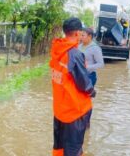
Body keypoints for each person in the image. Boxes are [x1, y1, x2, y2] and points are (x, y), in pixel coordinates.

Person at [50, 17, 96, 156]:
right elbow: (84, 83)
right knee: (73, 150)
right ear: (76, 33)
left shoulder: (56, 50)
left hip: (59, 110)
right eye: (81, 33)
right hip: (74, 111)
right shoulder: (75, 54)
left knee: (59, 147)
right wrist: (92, 91)